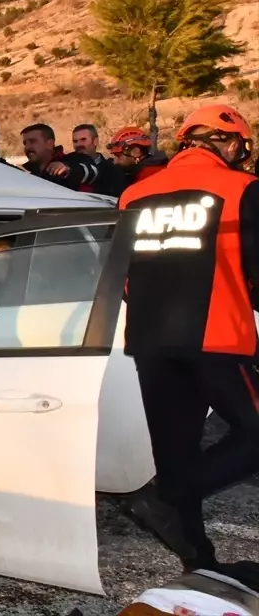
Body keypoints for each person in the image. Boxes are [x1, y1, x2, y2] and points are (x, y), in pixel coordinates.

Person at [117, 104, 259, 587]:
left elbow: (125, 279)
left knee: (176, 448)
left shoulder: (133, 195)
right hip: (216, 334)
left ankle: (200, 562)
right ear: (233, 144)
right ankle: (164, 496)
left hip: (149, 341)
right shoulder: (242, 189)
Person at [19, 123, 101, 191]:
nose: (27, 147)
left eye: (33, 141)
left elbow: (92, 172)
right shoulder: (27, 174)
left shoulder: (75, 159)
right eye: (25, 143)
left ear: (50, 144)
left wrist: (68, 170)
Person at [73, 123, 126, 197]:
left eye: (83, 140)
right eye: (75, 141)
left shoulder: (113, 170)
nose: (78, 145)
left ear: (95, 141)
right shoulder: (68, 167)